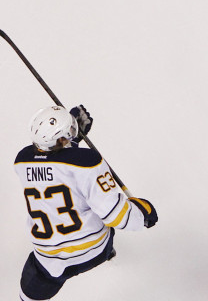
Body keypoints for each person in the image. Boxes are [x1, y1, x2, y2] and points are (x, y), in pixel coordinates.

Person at [14, 105, 158, 301]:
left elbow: (54, 167)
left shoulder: (22, 161)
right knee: (98, 212)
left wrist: (65, 141)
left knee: (31, 289)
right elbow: (115, 215)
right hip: (95, 251)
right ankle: (108, 253)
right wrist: (142, 215)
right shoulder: (87, 162)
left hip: (49, 262)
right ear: (62, 138)